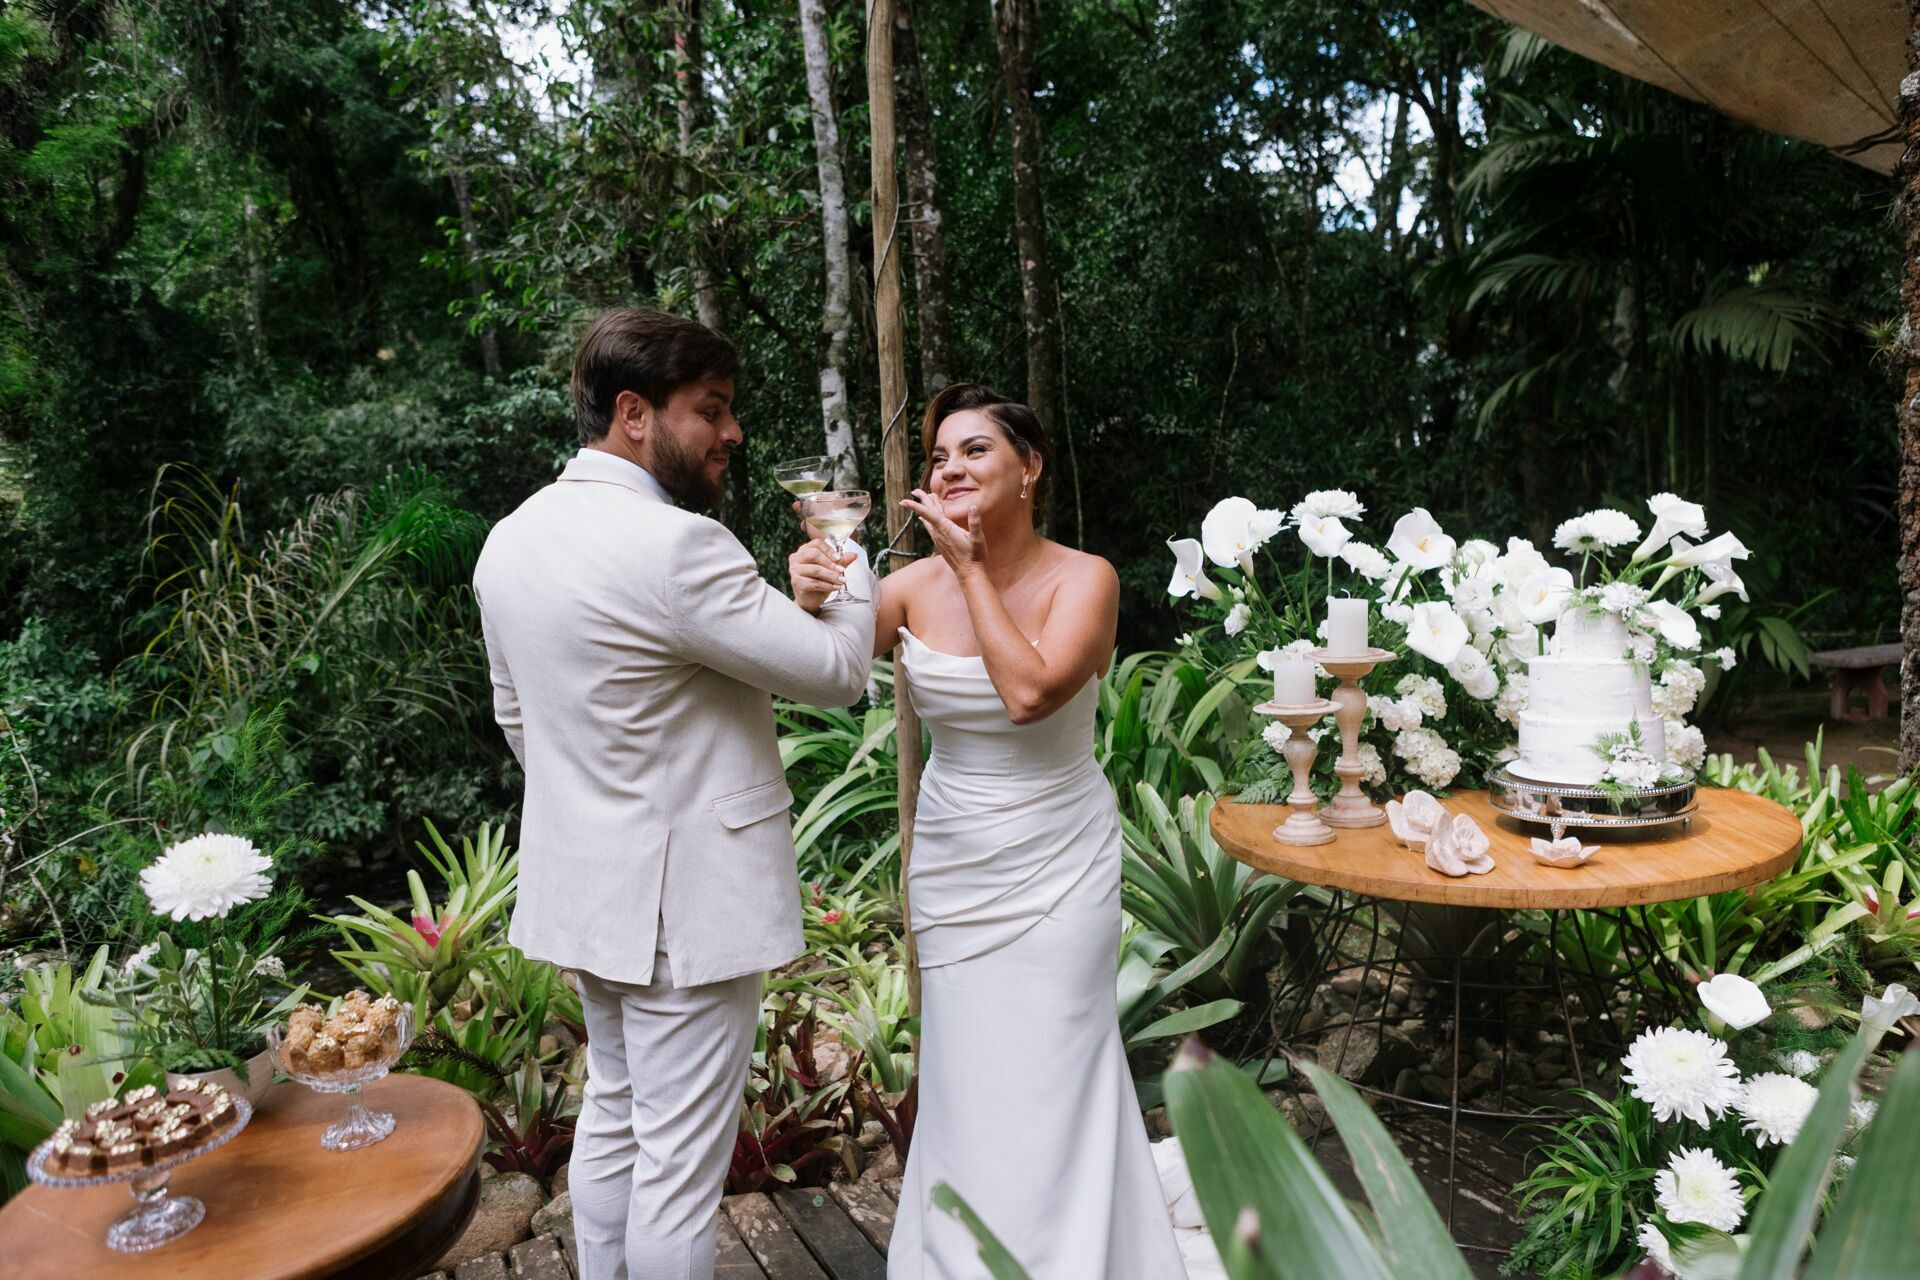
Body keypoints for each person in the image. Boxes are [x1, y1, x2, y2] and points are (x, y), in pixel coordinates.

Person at [474, 308, 875, 1280]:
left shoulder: (510, 541)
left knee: (613, 1116)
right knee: (680, 1174)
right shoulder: (677, 547)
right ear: (633, 413)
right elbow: (837, 672)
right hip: (685, 912)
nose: (732, 432)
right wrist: (845, 554)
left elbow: (518, 720)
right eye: (713, 409)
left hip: (589, 894)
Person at [788, 383, 1190, 1278]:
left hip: (1060, 857)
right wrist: (813, 595)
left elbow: (1029, 695)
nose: (951, 467)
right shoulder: (902, 586)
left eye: (975, 450)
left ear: (1029, 468)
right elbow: (826, 677)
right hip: (955, 859)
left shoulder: (1086, 578)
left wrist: (968, 568)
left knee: (1055, 1059)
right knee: (971, 1074)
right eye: (939, 455)